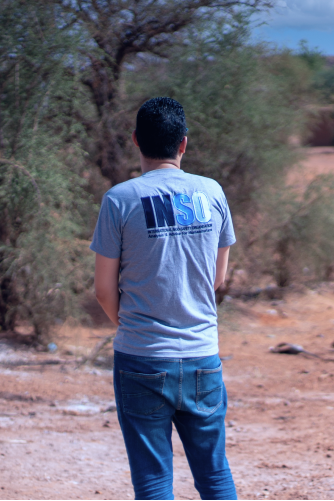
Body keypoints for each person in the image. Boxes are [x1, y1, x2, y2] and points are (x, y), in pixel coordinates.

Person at [91, 97, 238, 500]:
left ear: (135, 141)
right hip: (202, 357)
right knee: (214, 476)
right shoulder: (212, 193)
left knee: (154, 482)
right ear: (184, 144)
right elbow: (217, 278)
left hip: (140, 357)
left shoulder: (119, 199)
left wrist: (133, 327)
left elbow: (103, 289)